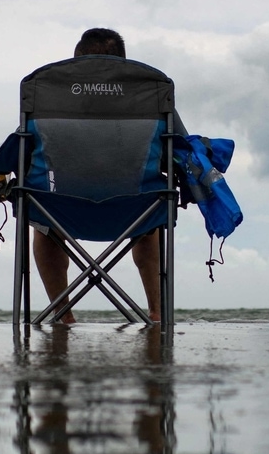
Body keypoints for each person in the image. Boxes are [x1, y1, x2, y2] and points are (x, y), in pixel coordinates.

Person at [31, 27, 182, 324]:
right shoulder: (150, 95)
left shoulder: (47, 94)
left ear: (75, 62)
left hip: (62, 209)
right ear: (123, 63)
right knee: (150, 213)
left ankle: (64, 315)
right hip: (133, 211)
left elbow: (22, 148)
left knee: (41, 218)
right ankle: (156, 311)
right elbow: (181, 148)